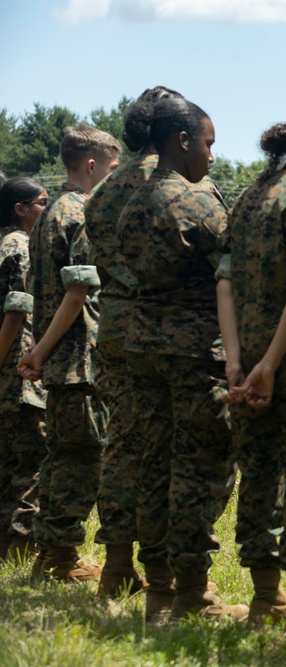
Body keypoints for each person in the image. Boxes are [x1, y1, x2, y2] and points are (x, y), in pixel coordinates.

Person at [117, 97, 245, 622]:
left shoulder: (132, 204)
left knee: (155, 465)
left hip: (142, 347)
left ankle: (158, 590)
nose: (212, 156)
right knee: (199, 468)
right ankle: (193, 592)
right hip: (194, 352)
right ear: (184, 141)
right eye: (209, 144)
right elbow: (234, 271)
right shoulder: (197, 203)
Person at [215, 102, 286, 633]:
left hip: (245, 361)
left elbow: (225, 281)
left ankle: (266, 600)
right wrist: (271, 364)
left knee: (258, 477)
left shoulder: (250, 196)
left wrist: (238, 362)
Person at [84, 85, 184, 599]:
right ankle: (168, 574)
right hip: (168, 330)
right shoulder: (174, 182)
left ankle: (116, 565)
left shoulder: (101, 193)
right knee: (168, 449)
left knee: (121, 444)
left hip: (116, 328)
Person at [19, 125, 120, 581]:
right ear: (92, 165)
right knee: (83, 459)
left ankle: (52, 554)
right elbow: (78, 292)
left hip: (61, 360)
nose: (115, 177)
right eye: (113, 168)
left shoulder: (47, 215)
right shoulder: (83, 211)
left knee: (65, 456)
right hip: (79, 359)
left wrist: (41, 351)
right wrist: (40, 350)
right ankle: (60, 558)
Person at [0, 177, 48, 563]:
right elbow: (17, 310)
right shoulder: (19, 246)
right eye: (41, 203)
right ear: (20, 208)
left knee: (8, 463)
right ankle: (22, 548)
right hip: (14, 372)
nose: (46, 211)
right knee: (31, 463)